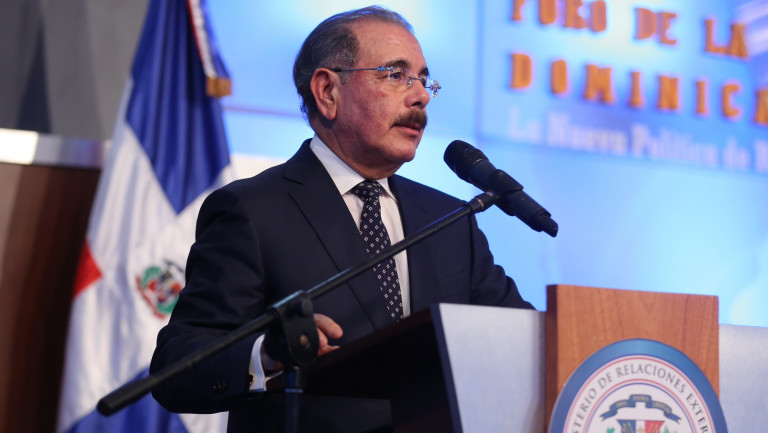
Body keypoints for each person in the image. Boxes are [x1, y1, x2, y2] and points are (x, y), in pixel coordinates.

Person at [150, 5, 533, 432]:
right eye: (396, 75)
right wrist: (268, 353)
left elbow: (525, 339)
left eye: (424, 79)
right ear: (327, 91)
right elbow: (177, 367)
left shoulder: (450, 220)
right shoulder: (252, 211)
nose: (421, 96)